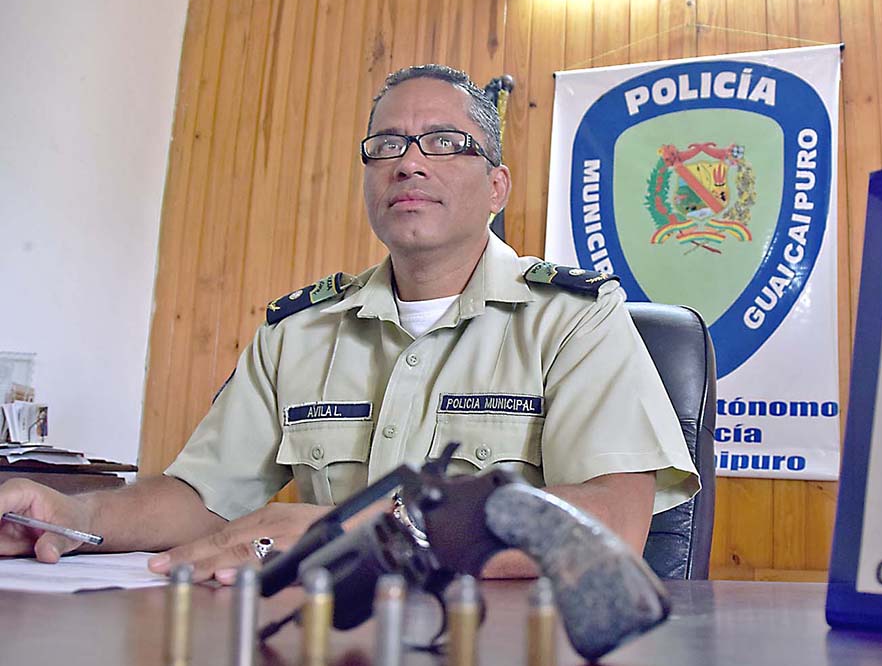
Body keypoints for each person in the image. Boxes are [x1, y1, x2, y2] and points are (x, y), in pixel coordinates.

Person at [0, 64, 698, 582]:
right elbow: (202, 502)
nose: (409, 163)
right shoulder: (299, 331)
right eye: (387, 146)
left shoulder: (574, 320)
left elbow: (610, 522)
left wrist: (356, 530)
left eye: (443, 143)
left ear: (496, 185)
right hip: (326, 658)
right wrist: (73, 518)